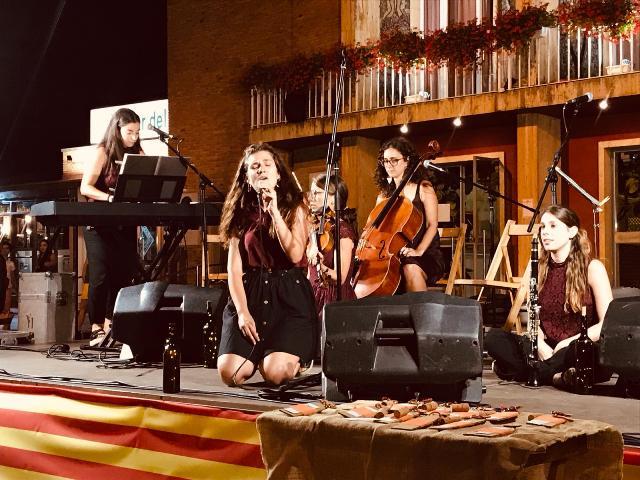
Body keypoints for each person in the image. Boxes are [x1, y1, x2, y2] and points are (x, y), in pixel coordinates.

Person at [217, 142, 316, 386]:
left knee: (275, 374)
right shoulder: (239, 212)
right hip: (252, 292)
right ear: (247, 177)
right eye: (254, 166)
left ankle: (288, 358)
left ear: (278, 173)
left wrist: (275, 213)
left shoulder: (296, 206)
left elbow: (295, 255)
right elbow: (234, 269)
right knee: (231, 374)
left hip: (287, 293)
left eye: (267, 164)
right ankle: (259, 354)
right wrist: (242, 313)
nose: (261, 169)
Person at [485, 205, 613, 387]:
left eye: (553, 226)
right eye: (543, 227)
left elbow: (606, 325)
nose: (545, 232)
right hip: (546, 349)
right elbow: (533, 319)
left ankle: (528, 372)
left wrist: (566, 344)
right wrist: (540, 345)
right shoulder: (537, 267)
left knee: (593, 354)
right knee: (494, 338)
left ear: (571, 232)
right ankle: (557, 377)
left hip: (576, 346)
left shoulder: (593, 268)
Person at [80, 108, 142, 346]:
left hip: (123, 223)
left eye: (137, 132)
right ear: (117, 129)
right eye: (130, 132)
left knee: (123, 274)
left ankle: (111, 324)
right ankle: (95, 325)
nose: (134, 137)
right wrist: (109, 198)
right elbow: (86, 187)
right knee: (100, 275)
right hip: (98, 223)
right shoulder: (103, 151)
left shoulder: (137, 152)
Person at [368, 136, 444, 291]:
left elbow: (432, 225)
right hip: (393, 254)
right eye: (385, 161)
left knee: (410, 268)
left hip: (425, 253)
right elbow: (376, 230)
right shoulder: (383, 196)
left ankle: (421, 308)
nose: (389, 165)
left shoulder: (424, 188)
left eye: (394, 160)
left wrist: (418, 251)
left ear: (407, 161)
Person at [306, 174, 357, 330]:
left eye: (317, 193)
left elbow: (339, 278)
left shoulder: (342, 231)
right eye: (311, 192)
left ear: (334, 199)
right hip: (312, 297)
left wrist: (320, 265)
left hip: (332, 300)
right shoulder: (316, 229)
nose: (311, 198)